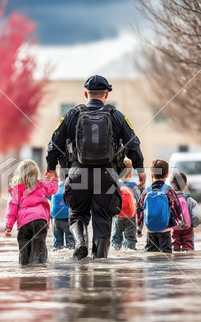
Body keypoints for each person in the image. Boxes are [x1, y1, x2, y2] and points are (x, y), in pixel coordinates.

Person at [45, 74, 145, 260]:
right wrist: (139, 170)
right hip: (107, 175)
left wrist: (51, 168)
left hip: (77, 174)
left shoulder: (72, 115)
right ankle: (100, 261)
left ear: (86, 94)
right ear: (106, 94)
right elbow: (133, 144)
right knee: (103, 218)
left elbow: (54, 145)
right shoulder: (116, 116)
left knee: (77, 215)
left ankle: (80, 243)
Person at [5, 159, 58, 265]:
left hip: (24, 223)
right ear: (36, 173)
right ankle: (39, 267)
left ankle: (25, 268)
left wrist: (8, 226)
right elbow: (53, 189)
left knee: (24, 250)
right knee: (39, 247)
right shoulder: (41, 185)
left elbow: (11, 211)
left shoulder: (15, 190)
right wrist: (54, 178)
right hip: (39, 220)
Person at [137, 159, 185, 253]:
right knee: (165, 254)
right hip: (165, 229)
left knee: (151, 253)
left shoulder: (146, 190)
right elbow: (176, 207)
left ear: (152, 175)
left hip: (150, 229)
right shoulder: (168, 190)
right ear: (167, 175)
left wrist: (139, 229)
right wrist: (181, 222)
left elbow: (139, 209)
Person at [170, 172, 201, 251]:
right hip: (187, 229)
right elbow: (198, 217)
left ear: (171, 187)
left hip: (174, 228)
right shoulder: (190, 201)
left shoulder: (170, 200)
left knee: (174, 247)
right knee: (188, 248)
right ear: (186, 186)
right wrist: (192, 224)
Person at [111, 158, 140, 250]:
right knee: (130, 236)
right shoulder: (133, 186)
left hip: (117, 215)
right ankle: (130, 250)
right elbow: (137, 199)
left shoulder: (115, 185)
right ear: (130, 173)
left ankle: (116, 250)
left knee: (116, 236)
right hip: (130, 216)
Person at [50, 180, 75, 250]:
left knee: (57, 243)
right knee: (70, 242)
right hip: (67, 218)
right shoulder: (71, 185)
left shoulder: (54, 186)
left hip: (55, 218)